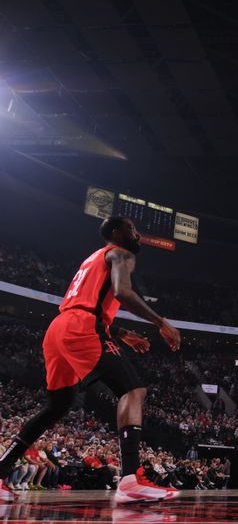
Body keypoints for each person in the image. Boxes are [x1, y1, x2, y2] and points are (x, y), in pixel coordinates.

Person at [0, 216, 181, 504]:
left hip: (59, 328)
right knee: (133, 390)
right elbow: (123, 292)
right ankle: (131, 480)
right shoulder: (121, 253)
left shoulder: (92, 259)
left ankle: (1, 471)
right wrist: (160, 322)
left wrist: (119, 332)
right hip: (81, 327)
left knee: (57, 407)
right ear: (117, 232)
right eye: (133, 229)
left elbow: (87, 302)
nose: (138, 234)